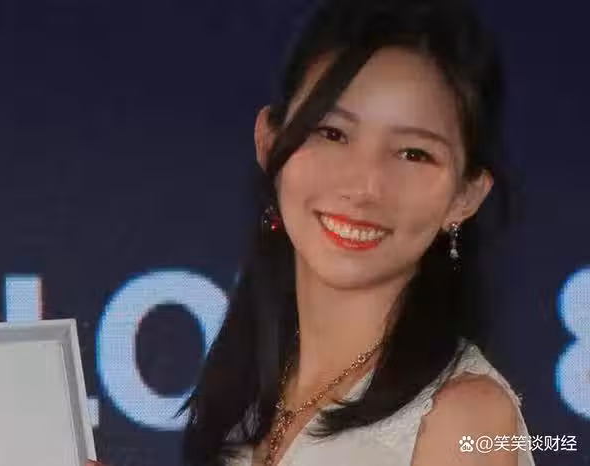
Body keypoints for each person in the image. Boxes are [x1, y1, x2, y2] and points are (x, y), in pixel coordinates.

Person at [182, 0, 536, 465]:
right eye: (332, 133)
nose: (364, 186)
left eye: (413, 153)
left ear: (465, 196)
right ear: (269, 142)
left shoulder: (466, 420)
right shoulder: (248, 392)